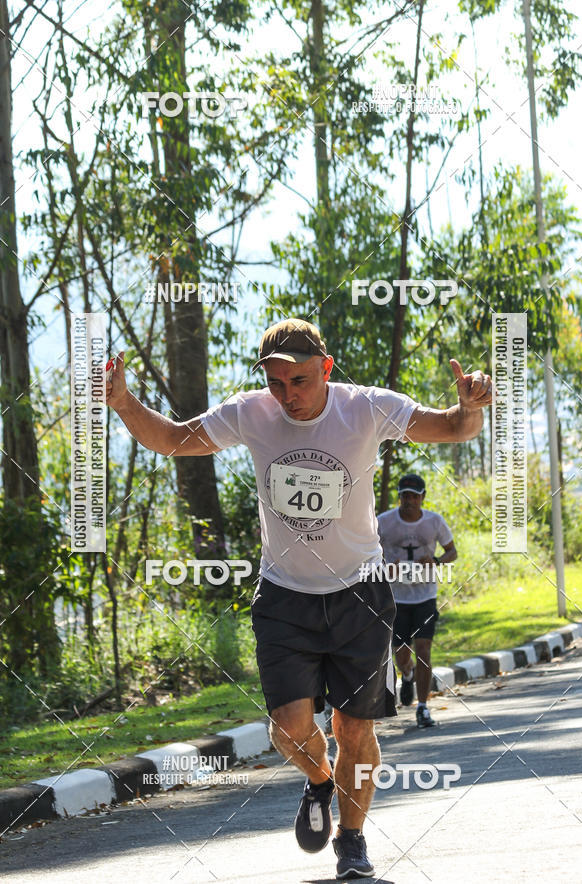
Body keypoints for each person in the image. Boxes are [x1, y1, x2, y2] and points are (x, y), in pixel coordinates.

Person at [106, 317, 493, 880]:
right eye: (277, 382)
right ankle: (318, 782)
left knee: (354, 731)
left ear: (326, 369)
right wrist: (121, 400)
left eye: (301, 381)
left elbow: (455, 428)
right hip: (285, 596)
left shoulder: (365, 407)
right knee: (287, 729)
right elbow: (170, 439)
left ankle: (353, 841)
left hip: (360, 594)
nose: (288, 395)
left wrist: (472, 404)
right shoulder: (251, 413)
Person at [377, 474, 457, 729]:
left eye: (414, 495)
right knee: (401, 654)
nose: (409, 500)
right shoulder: (384, 523)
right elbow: (367, 553)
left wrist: (435, 562)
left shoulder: (434, 522)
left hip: (425, 595)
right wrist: (386, 568)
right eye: (404, 496)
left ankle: (423, 707)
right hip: (396, 597)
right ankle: (407, 675)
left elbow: (452, 551)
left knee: (423, 650)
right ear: (399, 497)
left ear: (423, 497)